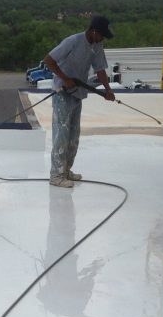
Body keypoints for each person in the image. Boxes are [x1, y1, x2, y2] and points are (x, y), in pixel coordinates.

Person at [43, 15, 116, 188]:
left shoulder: (97, 46)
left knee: (73, 136)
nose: (102, 39)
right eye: (101, 35)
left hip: (78, 93)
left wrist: (108, 90)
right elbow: (49, 60)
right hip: (63, 92)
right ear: (94, 31)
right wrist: (65, 78)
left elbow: (100, 70)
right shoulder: (73, 41)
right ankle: (56, 175)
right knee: (61, 134)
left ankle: (66, 170)